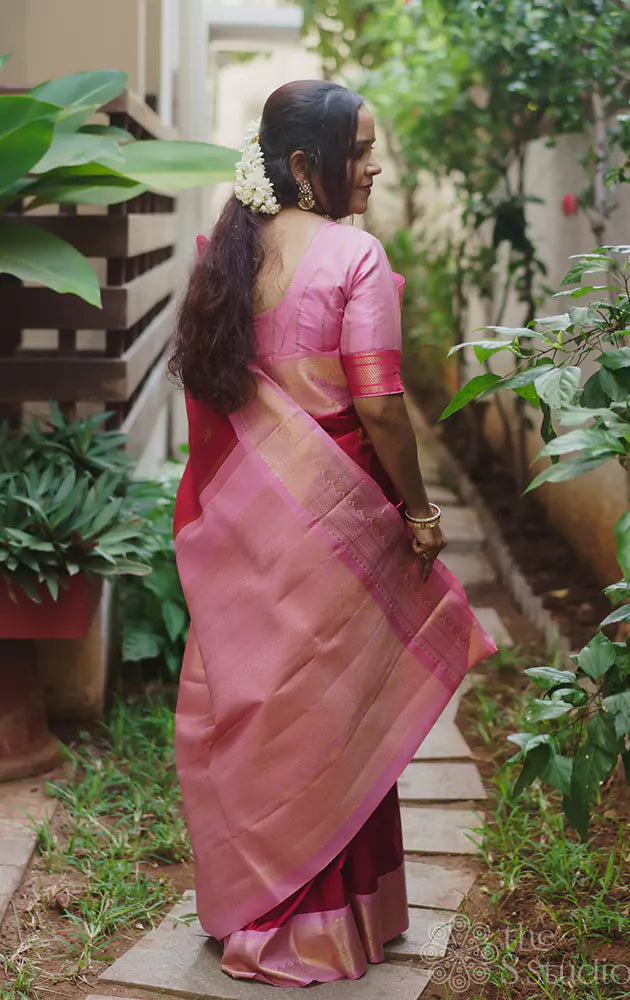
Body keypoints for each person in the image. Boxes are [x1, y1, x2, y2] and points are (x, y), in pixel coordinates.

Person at [169, 79, 496, 988]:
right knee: (336, 717)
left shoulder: (221, 255)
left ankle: (258, 906)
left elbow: (216, 404)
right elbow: (382, 408)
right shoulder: (353, 254)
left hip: (246, 527)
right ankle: (325, 924)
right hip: (339, 524)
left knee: (262, 711)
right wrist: (421, 515)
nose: (376, 166)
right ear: (307, 164)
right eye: (360, 151)